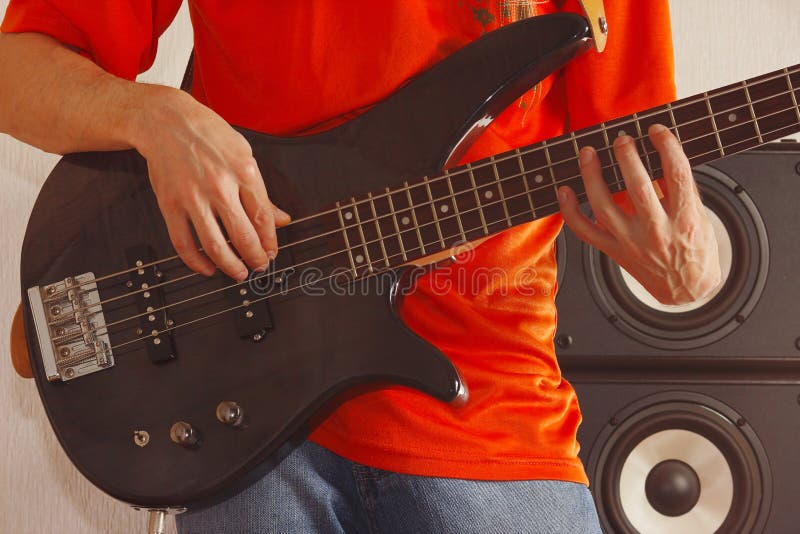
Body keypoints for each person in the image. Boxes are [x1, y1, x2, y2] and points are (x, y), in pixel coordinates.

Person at [0, 1, 720, 532]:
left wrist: (694, 274)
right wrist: (153, 118)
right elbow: (15, 69)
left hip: (492, 415)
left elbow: (656, 200)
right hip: (242, 404)